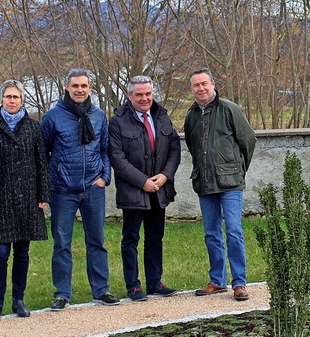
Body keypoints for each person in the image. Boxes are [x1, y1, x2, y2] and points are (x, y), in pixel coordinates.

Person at [41, 68, 118, 310]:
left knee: (96, 240)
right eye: (75, 86)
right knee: (62, 243)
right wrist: (48, 185)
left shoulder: (97, 115)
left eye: (84, 86)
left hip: (93, 187)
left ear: (90, 88)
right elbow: (42, 154)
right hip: (63, 189)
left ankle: (101, 289)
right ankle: (62, 292)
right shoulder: (53, 116)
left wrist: (104, 177)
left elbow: (105, 150)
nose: (79, 90)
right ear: (67, 87)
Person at [0, 80, 50, 321]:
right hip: (3, 196)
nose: (11, 100)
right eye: (7, 96)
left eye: (15, 97)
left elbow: (41, 162)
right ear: (1, 99)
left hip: (28, 196)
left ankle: (19, 299)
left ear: (22, 100)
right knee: (0, 252)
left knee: (23, 251)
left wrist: (43, 195)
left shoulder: (33, 127)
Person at [184, 68, 256, 301]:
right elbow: (193, 147)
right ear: (192, 88)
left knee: (233, 230)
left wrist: (237, 169)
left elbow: (248, 140)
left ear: (213, 84)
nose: (201, 88)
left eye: (204, 83)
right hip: (204, 183)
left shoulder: (229, 109)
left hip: (230, 183)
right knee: (211, 233)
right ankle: (217, 280)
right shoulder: (191, 115)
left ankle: (239, 282)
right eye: (196, 85)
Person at [109, 75, 181, 301]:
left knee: (155, 238)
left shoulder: (161, 117)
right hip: (134, 190)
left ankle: (155, 282)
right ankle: (134, 286)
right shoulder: (118, 121)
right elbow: (117, 158)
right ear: (130, 96)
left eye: (148, 94)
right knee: (130, 239)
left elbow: (174, 150)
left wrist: (165, 176)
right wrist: (143, 181)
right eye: (139, 94)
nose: (144, 98)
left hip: (159, 189)